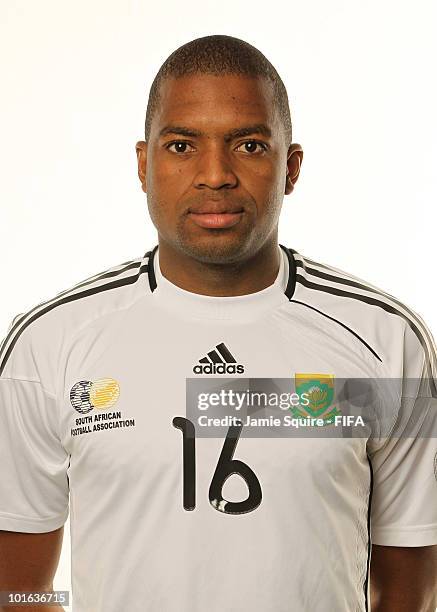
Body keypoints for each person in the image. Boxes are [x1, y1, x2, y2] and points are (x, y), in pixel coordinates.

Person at [0, 34, 436, 612]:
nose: (215, 175)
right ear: (143, 163)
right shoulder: (50, 346)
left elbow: (412, 587)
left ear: (292, 167)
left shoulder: (385, 342)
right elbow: (19, 588)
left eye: (250, 145)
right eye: (182, 146)